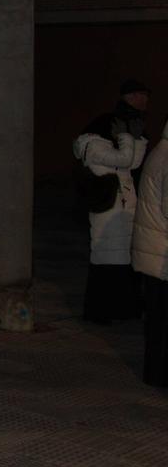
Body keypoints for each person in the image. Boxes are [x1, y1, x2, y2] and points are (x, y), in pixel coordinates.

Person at [74, 80, 150, 323]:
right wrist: (129, 139)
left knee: (122, 261)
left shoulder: (111, 142)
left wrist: (136, 140)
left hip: (122, 206)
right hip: (109, 209)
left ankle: (122, 310)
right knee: (108, 261)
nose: (144, 99)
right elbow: (125, 160)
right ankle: (105, 312)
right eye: (138, 94)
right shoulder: (94, 146)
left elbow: (133, 163)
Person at [133, 118, 168, 386]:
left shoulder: (161, 149)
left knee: (157, 320)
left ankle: (154, 373)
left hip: (153, 250)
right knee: (161, 321)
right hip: (160, 254)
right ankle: (157, 375)